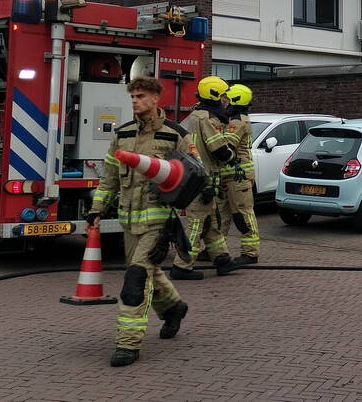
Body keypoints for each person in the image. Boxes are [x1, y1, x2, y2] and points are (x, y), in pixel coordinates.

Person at [86, 77, 194, 367]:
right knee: (147, 271)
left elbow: (194, 175)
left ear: (157, 98)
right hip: (128, 221)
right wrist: (96, 208)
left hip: (158, 222)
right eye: (132, 96)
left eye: (141, 95)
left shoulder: (175, 135)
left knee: (135, 277)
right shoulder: (122, 135)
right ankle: (174, 307)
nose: (135, 100)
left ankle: (127, 344)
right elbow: (109, 178)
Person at [170, 75, 237, 280]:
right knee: (196, 224)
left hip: (194, 179)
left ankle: (222, 259)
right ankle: (182, 266)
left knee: (211, 223)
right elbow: (219, 150)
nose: (227, 100)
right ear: (215, 96)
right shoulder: (208, 119)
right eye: (225, 96)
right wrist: (233, 157)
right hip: (202, 181)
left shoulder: (191, 117)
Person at [217, 83, 260, 264]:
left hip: (238, 175)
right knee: (221, 215)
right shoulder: (232, 119)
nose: (223, 102)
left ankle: (250, 253)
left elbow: (225, 146)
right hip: (228, 175)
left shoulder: (237, 122)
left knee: (243, 214)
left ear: (234, 101)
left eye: (226, 99)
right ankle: (217, 249)